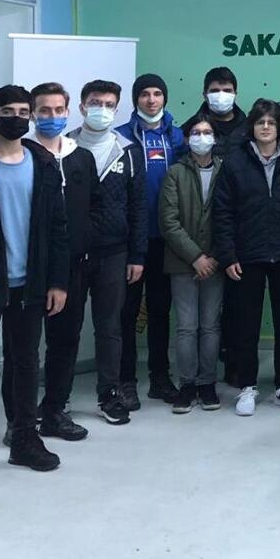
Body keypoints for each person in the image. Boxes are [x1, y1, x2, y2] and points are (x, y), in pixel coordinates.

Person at [0, 85, 69, 479]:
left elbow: (58, 226)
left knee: (25, 362)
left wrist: (57, 281)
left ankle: (24, 438)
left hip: (31, 282)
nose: (17, 118)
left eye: (24, 112)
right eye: (8, 111)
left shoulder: (43, 162)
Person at [212, 99, 280, 417]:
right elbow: (223, 212)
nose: (266, 127)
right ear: (253, 127)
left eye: (271, 122)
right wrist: (228, 254)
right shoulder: (235, 162)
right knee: (246, 325)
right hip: (248, 255)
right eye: (260, 122)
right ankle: (248, 386)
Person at [66, 80, 146, 426]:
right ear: (82, 107)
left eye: (109, 104)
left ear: (117, 109)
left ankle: (109, 394)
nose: (102, 109)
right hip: (72, 254)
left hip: (115, 253)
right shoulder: (64, 147)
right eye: (95, 102)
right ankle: (58, 398)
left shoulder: (128, 150)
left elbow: (138, 207)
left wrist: (137, 255)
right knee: (66, 327)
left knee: (110, 327)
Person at [29, 82, 98, 443]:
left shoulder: (80, 157)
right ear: (33, 113)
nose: (52, 116)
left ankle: (55, 410)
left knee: (65, 340)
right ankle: (21, 420)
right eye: (45, 110)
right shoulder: (23, 154)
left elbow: (93, 206)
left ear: (68, 112)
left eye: (58, 110)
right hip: (29, 266)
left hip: (72, 264)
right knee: (24, 347)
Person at [116, 73, 186, 408]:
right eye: (145, 94)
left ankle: (160, 377)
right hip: (131, 240)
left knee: (160, 310)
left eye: (158, 93)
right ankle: (125, 381)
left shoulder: (178, 136)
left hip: (166, 238)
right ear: (136, 99)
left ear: (165, 98)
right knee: (126, 313)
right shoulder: (120, 137)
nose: (152, 99)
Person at [158, 114, 225, 413]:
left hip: (217, 262)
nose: (201, 137)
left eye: (207, 132)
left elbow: (232, 216)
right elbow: (168, 222)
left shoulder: (226, 171)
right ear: (186, 139)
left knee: (210, 326)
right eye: (196, 132)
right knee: (186, 327)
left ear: (215, 138)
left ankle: (207, 383)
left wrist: (214, 257)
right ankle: (187, 385)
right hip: (182, 262)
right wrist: (196, 257)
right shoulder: (175, 172)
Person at [199, 66, 248, 151]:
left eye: (227, 91)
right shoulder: (190, 131)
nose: (221, 96)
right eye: (215, 91)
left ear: (235, 94)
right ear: (205, 95)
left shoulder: (250, 129)